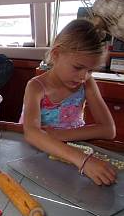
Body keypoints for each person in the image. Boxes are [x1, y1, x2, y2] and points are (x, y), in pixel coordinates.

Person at [21, 19, 117, 186]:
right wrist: (83, 161)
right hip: (39, 151)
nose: (83, 76)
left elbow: (109, 130)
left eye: (90, 70)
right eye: (78, 67)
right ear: (56, 54)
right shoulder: (36, 87)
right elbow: (31, 133)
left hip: (74, 150)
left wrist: (61, 135)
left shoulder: (87, 84)